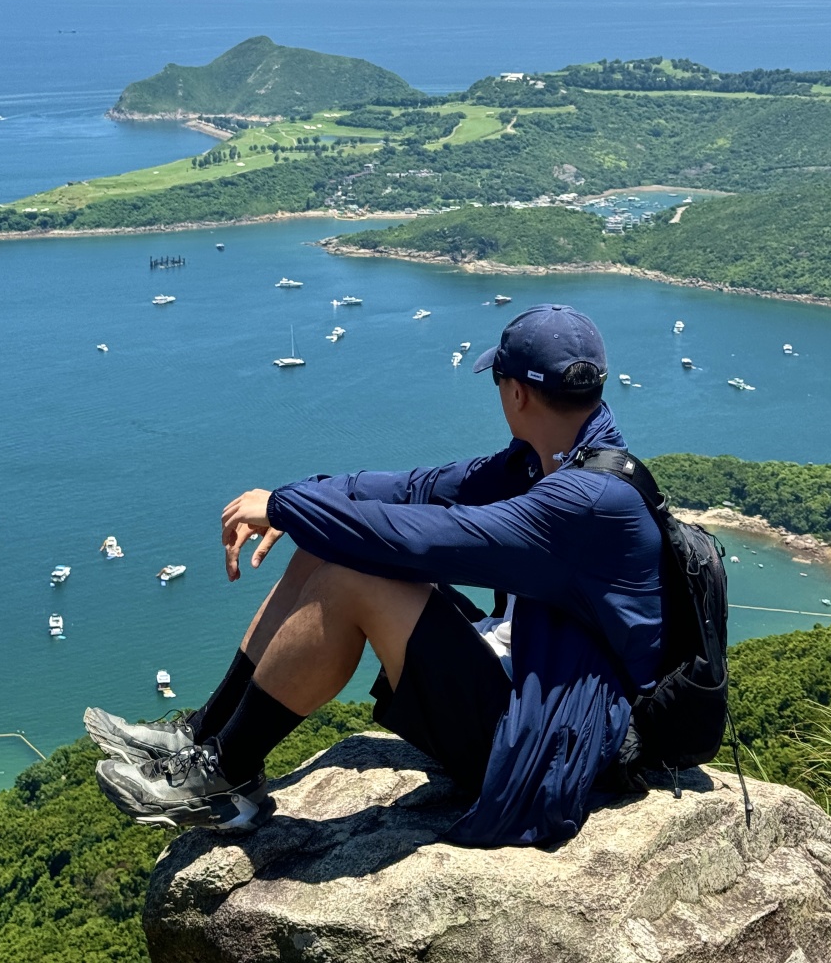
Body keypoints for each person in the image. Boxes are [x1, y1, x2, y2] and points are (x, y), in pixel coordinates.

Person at [87, 303, 667, 847]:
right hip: (532, 686)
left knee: (351, 576)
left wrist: (288, 510)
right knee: (326, 546)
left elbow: (421, 540)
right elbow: (417, 488)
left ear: (515, 392)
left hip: (552, 744)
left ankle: (228, 777)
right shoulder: (548, 461)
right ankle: (205, 736)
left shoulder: (587, 501)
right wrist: (297, 500)